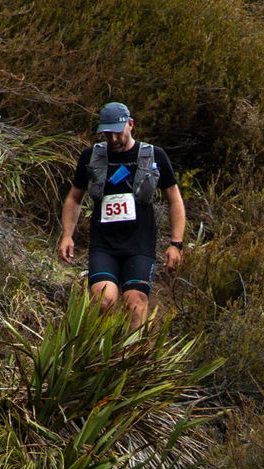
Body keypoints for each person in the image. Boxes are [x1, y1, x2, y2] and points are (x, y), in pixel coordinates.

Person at [58, 102, 186, 330]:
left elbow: (175, 199)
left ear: (131, 125)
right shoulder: (91, 157)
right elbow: (74, 198)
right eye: (107, 134)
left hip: (140, 245)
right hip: (104, 244)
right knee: (102, 298)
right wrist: (67, 235)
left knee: (135, 302)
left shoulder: (155, 156)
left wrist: (176, 243)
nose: (113, 138)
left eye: (117, 132)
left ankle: (131, 356)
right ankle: (100, 352)